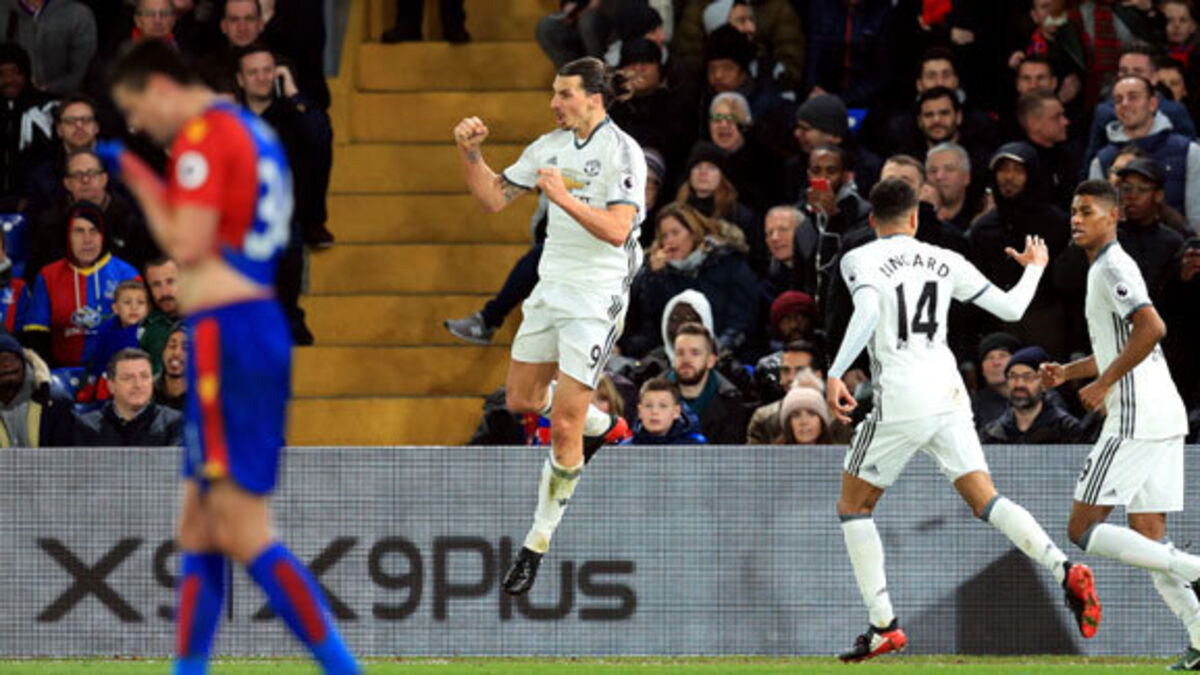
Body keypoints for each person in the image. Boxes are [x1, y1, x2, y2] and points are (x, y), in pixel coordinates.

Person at [103, 40, 359, 673]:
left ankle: (343, 668)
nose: (137, 124)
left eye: (135, 108)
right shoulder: (252, 131)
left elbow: (186, 242)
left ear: (160, 87)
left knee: (243, 530)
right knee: (197, 531)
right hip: (247, 324)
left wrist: (137, 176)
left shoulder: (202, 136)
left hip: (232, 335)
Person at [825, 178, 1099, 661]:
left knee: (854, 506)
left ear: (872, 220)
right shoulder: (945, 259)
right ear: (915, 218)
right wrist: (1035, 268)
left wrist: (834, 372)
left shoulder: (859, 257)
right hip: (950, 394)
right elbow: (1012, 307)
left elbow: (867, 310)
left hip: (902, 395)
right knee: (985, 499)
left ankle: (883, 625)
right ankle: (1063, 568)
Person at [453, 56, 643, 596]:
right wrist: (471, 154)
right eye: (555, 93)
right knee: (520, 399)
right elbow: (493, 198)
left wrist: (561, 198)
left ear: (593, 99)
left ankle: (535, 544)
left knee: (562, 427)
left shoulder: (622, 151)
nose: (554, 102)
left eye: (564, 94)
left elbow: (618, 229)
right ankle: (601, 426)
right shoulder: (549, 147)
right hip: (551, 286)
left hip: (596, 294)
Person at [1041, 180, 1200, 671]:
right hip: (1162, 412)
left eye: (1087, 211)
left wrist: (1105, 382)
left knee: (1082, 528)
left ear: (1112, 216)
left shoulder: (1111, 266)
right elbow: (1124, 344)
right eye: (1073, 210)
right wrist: (1070, 373)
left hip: (1135, 415)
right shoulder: (1107, 267)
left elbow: (1153, 328)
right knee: (1148, 539)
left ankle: (1196, 568)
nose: (1076, 218)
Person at [22, 203, 141, 368]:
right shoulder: (48, 276)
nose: (87, 240)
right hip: (60, 373)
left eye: (94, 231)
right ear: (67, 236)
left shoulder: (127, 274)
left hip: (117, 372)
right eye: (79, 231)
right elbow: (36, 336)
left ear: (104, 236)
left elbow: (140, 332)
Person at [1087, 75, 1200, 231]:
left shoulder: (1188, 151)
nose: (1125, 104)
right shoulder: (1101, 160)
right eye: (1118, 100)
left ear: (1152, 103)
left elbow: (1197, 218)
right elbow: (1095, 224)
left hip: (1178, 242)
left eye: (1133, 97)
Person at [979, 345, 1089, 444]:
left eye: (1028, 377)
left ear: (1044, 384)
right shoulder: (992, 434)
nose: (1019, 384)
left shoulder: (1067, 430)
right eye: (1013, 376)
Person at [73, 348, 183, 446]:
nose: (138, 385)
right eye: (128, 378)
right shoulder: (87, 426)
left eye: (144, 377)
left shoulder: (174, 424)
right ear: (111, 386)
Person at [670, 321, 746, 444]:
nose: (686, 360)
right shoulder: (653, 395)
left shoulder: (731, 400)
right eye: (680, 353)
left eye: (695, 353)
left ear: (711, 361)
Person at [79, 278, 149, 402]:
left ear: (147, 309)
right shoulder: (106, 329)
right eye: (127, 302)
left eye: (140, 302)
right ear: (115, 308)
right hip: (106, 382)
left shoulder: (149, 331)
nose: (134, 307)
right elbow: (97, 360)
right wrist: (92, 383)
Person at [0, 330, 73, 446]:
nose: (7, 365)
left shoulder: (54, 407)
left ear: (25, 365)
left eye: (13, 359)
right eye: (0, 360)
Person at [747, 339, 821, 445]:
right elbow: (752, 455)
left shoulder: (838, 417)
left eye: (800, 370)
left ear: (817, 375)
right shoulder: (763, 418)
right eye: (785, 371)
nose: (791, 378)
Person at [628, 375, 705, 445]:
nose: (654, 412)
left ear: (676, 411)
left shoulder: (695, 447)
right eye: (648, 406)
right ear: (640, 411)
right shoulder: (626, 448)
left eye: (663, 406)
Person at [972, 331, 1021, 430]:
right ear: (983, 371)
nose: (995, 362)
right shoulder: (975, 406)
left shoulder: (1044, 399)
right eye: (988, 358)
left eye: (1003, 356)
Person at [140, 256, 181, 374]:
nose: (165, 292)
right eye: (156, 285)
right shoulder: (143, 326)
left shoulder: (206, 318)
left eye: (170, 282)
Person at [775, 377, 831, 445]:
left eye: (812, 413)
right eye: (796, 415)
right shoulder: (771, 451)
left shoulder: (841, 449)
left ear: (822, 421)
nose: (804, 421)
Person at [154, 321, 186, 410]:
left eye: (186, 348)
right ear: (163, 352)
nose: (176, 353)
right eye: (172, 346)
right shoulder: (147, 391)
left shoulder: (205, 397)